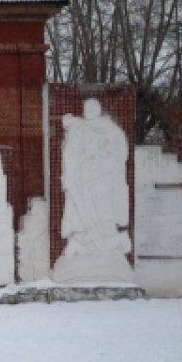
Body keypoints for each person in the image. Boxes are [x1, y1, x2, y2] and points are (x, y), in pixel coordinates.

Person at [60, 98, 130, 258]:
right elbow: (70, 153)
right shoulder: (78, 127)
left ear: (98, 109)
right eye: (86, 107)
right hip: (84, 177)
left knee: (103, 206)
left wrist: (103, 158)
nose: (89, 109)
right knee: (82, 207)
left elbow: (120, 152)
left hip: (103, 176)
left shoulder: (111, 129)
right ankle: (87, 238)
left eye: (92, 106)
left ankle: (106, 237)